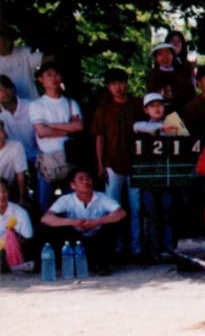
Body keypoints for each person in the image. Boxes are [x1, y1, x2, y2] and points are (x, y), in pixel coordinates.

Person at [92, 68, 144, 260]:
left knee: (136, 208)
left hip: (136, 164)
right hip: (111, 164)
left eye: (121, 82)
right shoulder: (103, 110)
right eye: (114, 83)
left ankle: (136, 248)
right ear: (108, 86)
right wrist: (99, 165)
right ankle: (112, 248)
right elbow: (99, 138)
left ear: (127, 83)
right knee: (111, 207)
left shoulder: (138, 105)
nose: (118, 87)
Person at [40, 168, 127, 276]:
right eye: (81, 179)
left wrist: (97, 222)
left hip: (98, 238)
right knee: (50, 226)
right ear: (73, 185)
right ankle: (69, 262)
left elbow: (121, 213)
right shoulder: (66, 199)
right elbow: (46, 218)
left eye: (88, 179)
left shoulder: (101, 197)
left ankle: (103, 263)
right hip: (75, 238)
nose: (85, 182)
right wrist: (72, 222)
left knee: (116, 224)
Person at [133, 93, 182, 261]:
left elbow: (184, 139)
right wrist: (160, 128)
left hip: (168, 179)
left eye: (159, 105)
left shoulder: (175, 123)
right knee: (151, 215)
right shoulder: (140, 124)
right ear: (146, 109)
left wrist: (169, 128)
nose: (157, 108)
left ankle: (168, 250)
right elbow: (138, 127)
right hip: (148, 179)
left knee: (168, 213)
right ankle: (154, 252)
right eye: (152, 105)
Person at [28, 64, 83, 212]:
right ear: (41, 79)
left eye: (56, 74)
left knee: (72, 203)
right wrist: (67, 129)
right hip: (48, 161)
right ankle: (46, 234)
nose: (53, 78)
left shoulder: (71, 103)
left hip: (70, 159)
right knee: (44, 204)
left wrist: (51, 125)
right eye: (49, 74)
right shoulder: (36, 105)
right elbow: (41, 132)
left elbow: (78, 127)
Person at [145, 42, 195, 113]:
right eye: (160, 54)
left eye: (168, 52)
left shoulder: (182, 73)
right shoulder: (153, 76)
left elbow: (191, 94)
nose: (165, 56)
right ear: (156, 58)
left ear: (173, 55)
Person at [0, 75, 37, 163]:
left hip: (39, 160)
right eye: (0, 90)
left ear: (14, 88)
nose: (4, 93)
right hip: (13, 164)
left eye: (7, 88)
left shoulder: (31, 106)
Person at [0, 28, 44, 101]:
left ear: (12, 39)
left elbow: (44, 59)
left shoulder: (25, 51)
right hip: (5, 109)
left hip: (31, 104)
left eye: (6, 38)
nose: (3, 41)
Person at [0, 180, 34, 273]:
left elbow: (28, 241)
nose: (1, 196)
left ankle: (9, 267)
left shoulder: (20, 213)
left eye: (4, 192)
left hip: (12, 255)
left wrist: (14, 235)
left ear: (8, 193)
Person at [0, 123, 27, 205]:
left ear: (4, 132)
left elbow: (21, 177)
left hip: (7, 190)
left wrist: (21, 199)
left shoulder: (16, 147)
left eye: (0, 131)